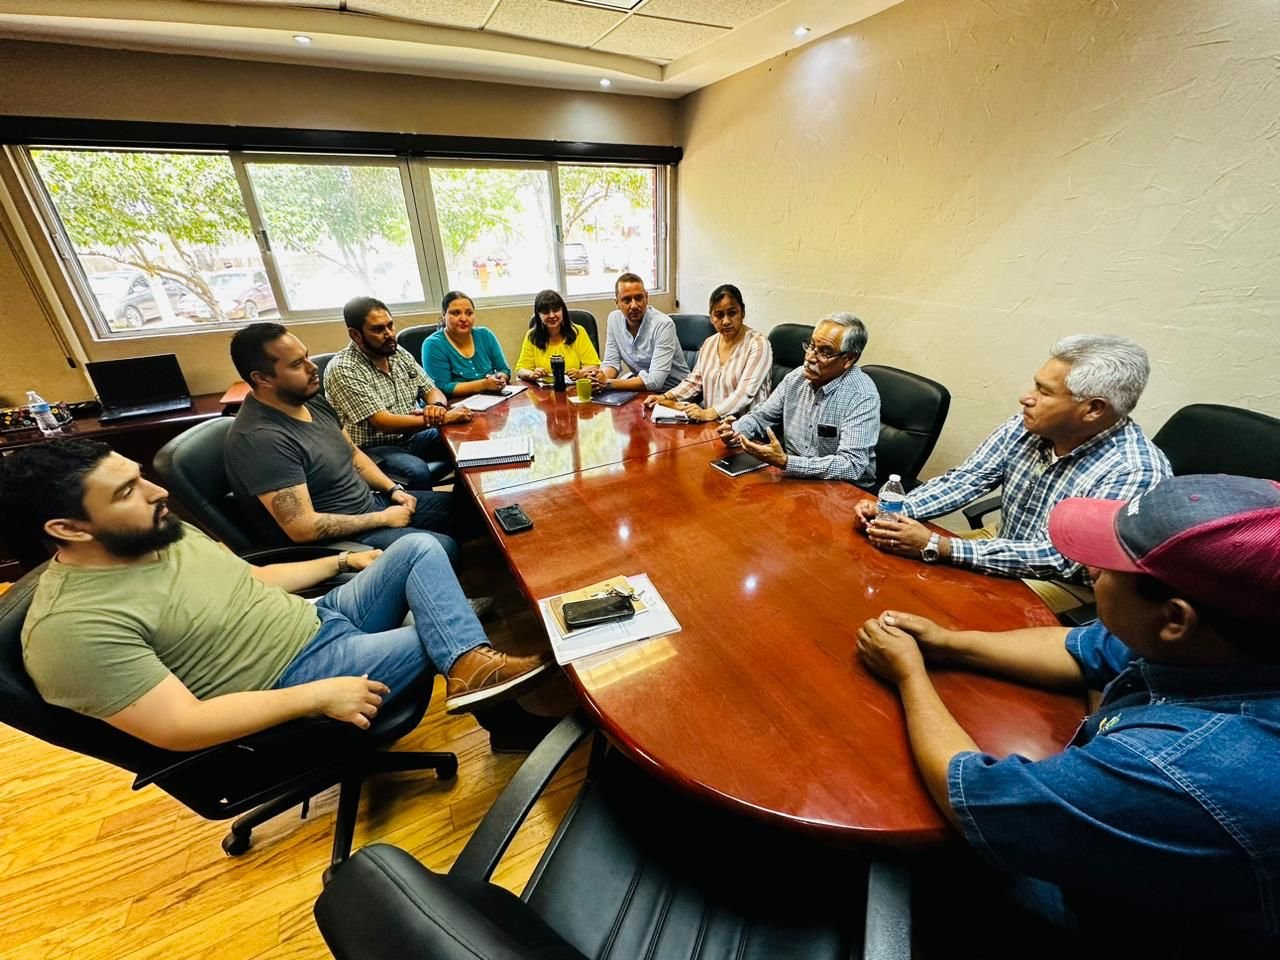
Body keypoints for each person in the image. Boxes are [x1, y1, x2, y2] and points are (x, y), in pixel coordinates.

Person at [855, 474, 1280, 952]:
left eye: (1111, 566)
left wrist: (910, 675)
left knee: (887, 852)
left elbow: (974, 796)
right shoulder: (1223, 642)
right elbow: (1084, 648)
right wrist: (946, 644)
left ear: (1175, 618)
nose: (1091, 571)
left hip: (1118, 923)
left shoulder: (1182, 768)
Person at [1, 440, 551, 748]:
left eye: (140, 475)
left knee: (419, 547)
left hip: (318, 617)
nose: (157, 491)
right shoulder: (70, 629)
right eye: (127, 491)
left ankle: (471, 667)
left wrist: (341, 561)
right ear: (67, 529)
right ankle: (499, 709)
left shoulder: (158, 531)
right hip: (294, 676)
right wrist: (314, 697)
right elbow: (178, 726)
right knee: (450, 634)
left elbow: (249, 581)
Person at [854, 335, 1171, 604]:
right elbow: (968, 479)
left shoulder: (1134, 471)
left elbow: (1062, 559)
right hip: (1003, 539)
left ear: (1093, 409)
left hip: (1065, 583)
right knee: (887, 566)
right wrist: (893, 511)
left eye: (1044, 392)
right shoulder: (1029, 424)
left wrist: (940, 546)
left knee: (936, 601)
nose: (1026, 398)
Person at [224, 322, 460, 558]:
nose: (312, 367)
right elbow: (302, 528)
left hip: (371, 505)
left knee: (470, 512)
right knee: (440, 548)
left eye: (306, 356)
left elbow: (353, 453)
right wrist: (382, 518)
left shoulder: (310, 400)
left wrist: (393, 489)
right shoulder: (260, 439)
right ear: (262, 378)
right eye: (297, 364)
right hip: (342, 541)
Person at [323, 296, 471, 491]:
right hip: (371, 449)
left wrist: (437, 408)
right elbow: (384, 423)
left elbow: (432, 390)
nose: (389, 334)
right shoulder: (344, 369)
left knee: (466, 436)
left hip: (412, 436)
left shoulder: (397, 352)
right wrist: (443, 418)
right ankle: (425, 510)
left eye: (390, 325)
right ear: (355, 335)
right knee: (417, 471)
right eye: (378, 329)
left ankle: (467, 503)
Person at [715, 312, 879, 486]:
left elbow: (852, 465)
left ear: (849, 359)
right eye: (811, 346)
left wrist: (786, 462)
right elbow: (761, 417)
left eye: (825, 352)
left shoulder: (861, 395)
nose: (810, 357)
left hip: (843, 489)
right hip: (795, 479)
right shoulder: (797, 378)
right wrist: (736, 431)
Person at [643, 283, 771, 421]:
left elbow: (745, 393)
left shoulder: (758, 344)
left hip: (747, 428)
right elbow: (694, 382)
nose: (726, 321)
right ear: (711, 318)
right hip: (713, 425)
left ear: (743, 312)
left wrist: (708, 413)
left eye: (732, 313)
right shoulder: (709, 343)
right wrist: (665, 397)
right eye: (719, 315)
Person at [592, 273, 690, 393]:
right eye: (626, 300)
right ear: (617, 303)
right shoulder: (614, 320)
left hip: (676, 393)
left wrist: (608, 383)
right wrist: (599, 379)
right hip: (643, 391)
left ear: (646, 297)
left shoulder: (663, 325)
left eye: (639, 298)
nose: (634, 305)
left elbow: (655, 381)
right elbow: (611, 362)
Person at [421, 291, 512, 399]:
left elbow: (504, 369)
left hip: (491, 399)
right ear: (444, 315)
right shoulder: (433, 344)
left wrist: (501, 378)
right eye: (456, 313)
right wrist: (484, 384)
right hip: (453, 405)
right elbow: (441, 387)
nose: (464, 319)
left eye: (469, 313)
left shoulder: (485, 335)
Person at [514, 289, 600, 383]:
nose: (552, 315)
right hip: (543, 390)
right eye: (546, 312)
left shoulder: (578, 332)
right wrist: (531, 374)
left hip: (575, 388)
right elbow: (520, 370)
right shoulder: (532, 336)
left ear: (563, 311)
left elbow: (594, 365)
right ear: (538, 315)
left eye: (556, 310)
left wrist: (580, 373)